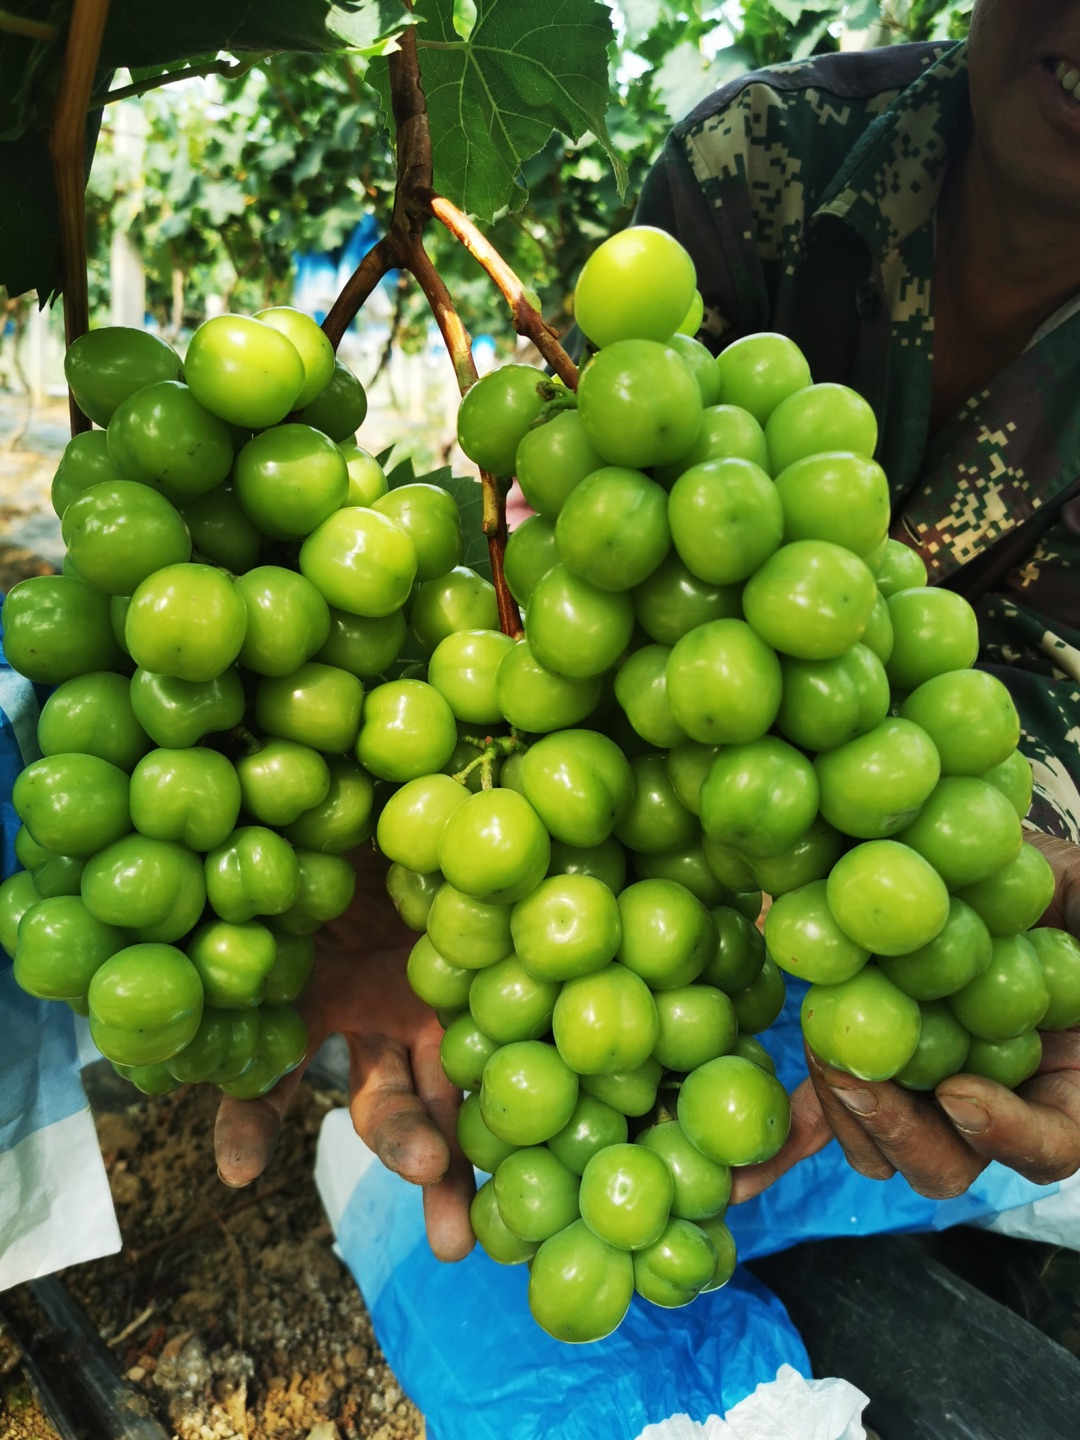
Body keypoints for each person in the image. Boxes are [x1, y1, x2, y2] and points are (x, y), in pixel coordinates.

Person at [214, 0, 1080, 1260]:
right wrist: (458, 845)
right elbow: (597, 530)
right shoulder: (764, 154)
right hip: (660, 827)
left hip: (866, 860)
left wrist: (1037, 842)